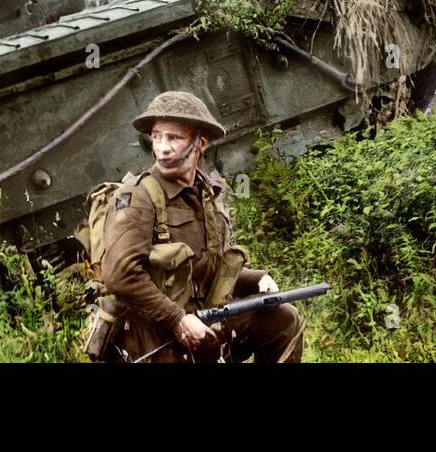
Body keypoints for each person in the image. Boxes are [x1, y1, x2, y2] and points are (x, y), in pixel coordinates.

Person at [99, 90, 305, 362]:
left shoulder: (209, 192)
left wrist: (256, 278)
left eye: (173, 137)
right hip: (154, 332)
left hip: (206, 316)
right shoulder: (136, 196)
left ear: (201, 143)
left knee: (283, 318)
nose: (162, 147)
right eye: (157, 136)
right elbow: (120, 276)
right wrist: (178, 320)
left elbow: (212, 264)